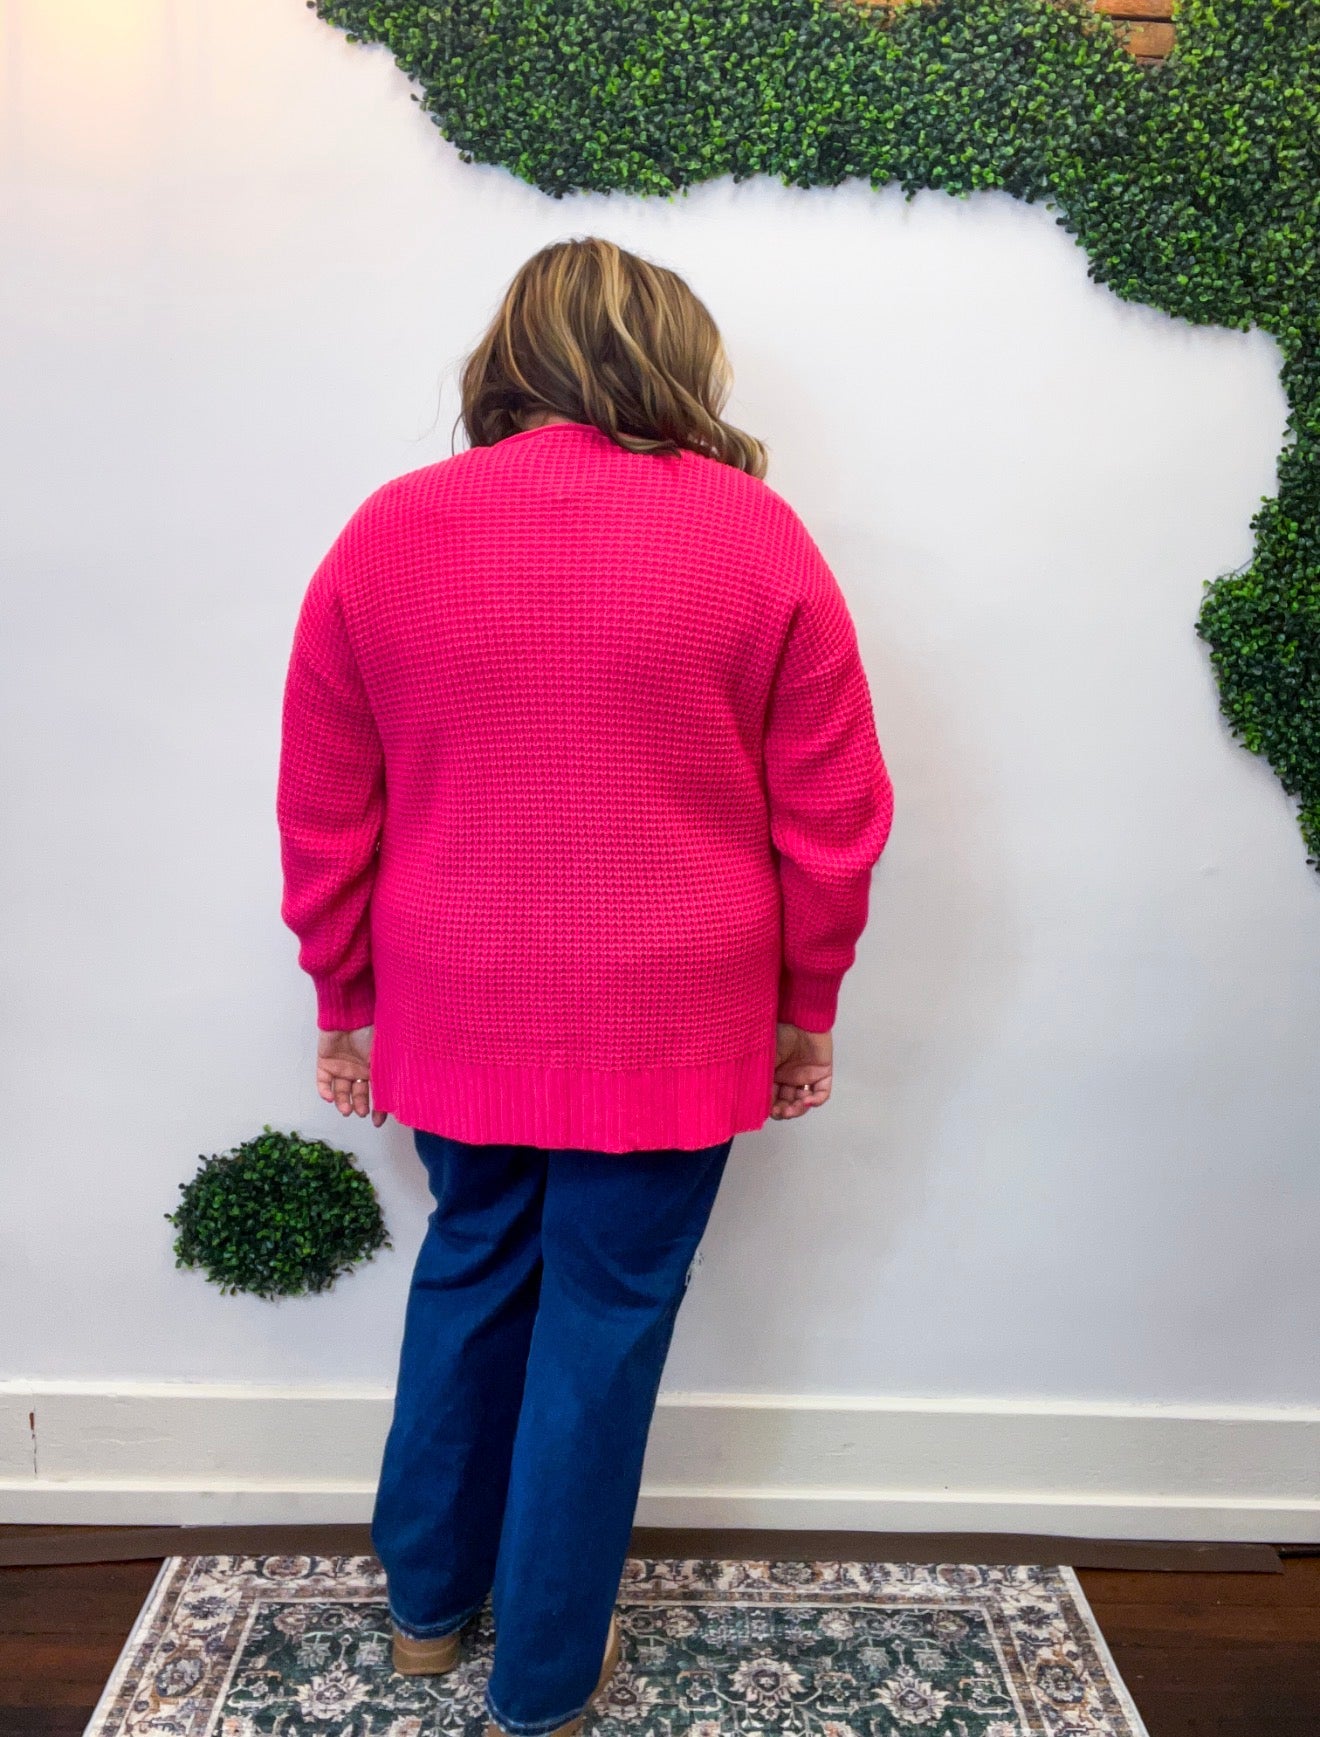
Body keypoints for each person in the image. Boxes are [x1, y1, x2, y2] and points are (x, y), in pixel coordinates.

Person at [276, 235, 894, 1737]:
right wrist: (807, 1001)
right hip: (677, 1003)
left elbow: (325, 799)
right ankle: (547, 1672)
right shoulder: (757, 538)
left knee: (472, 1257)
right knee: (606, 1314)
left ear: (510, 358)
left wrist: (343, 995)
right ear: (674, 360)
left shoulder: (388, 532)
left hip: (454, 991)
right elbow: (834, 812)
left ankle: (428, 1609)